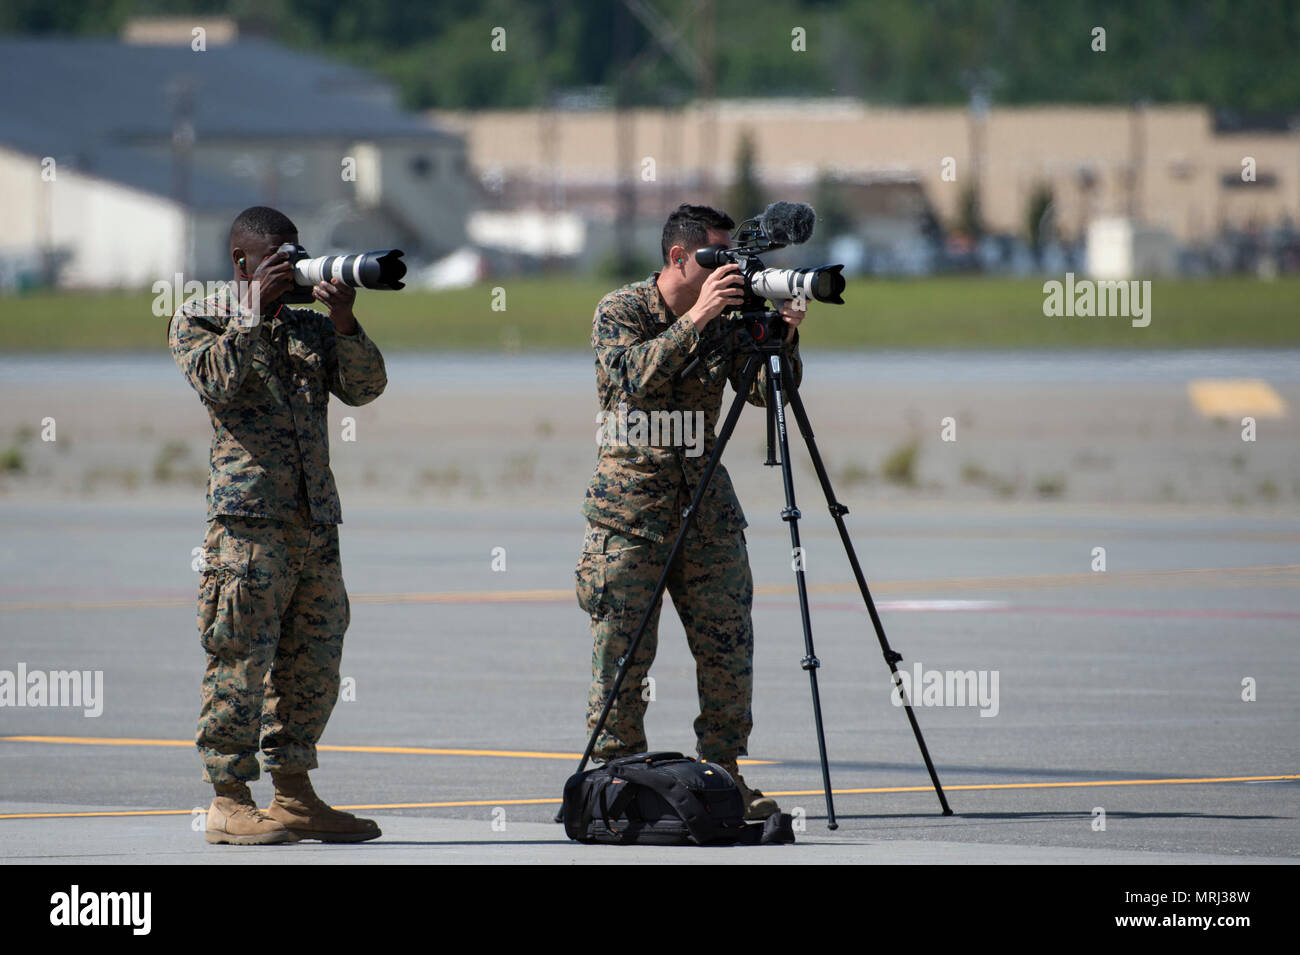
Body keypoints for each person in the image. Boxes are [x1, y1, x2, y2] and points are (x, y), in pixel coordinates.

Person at [576, 203, 807, 820]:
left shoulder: (728, 316)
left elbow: (764, 392)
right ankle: (619, 784)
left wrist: (780, 338)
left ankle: (724, 778)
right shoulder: (620, 310)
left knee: (729, 649)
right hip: (630, 519)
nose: (726, 271)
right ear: (679, 257)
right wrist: (699, 319)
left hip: (705, 511)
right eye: (715, 258)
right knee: (623, 660)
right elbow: (630, 379)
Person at [169, 206, 387, 844]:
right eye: (277, 257)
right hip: (249, 527)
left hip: (314, 523)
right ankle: (228, 799)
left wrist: (344, 320)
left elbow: (367, 387)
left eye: (297, 253)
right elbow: (219, 383)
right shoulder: (201, 317)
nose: (290, 266)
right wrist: (252, 313)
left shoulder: (309, 328)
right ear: (244, 263)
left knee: (314, 661)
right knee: (239, 660)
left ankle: (293, 794)